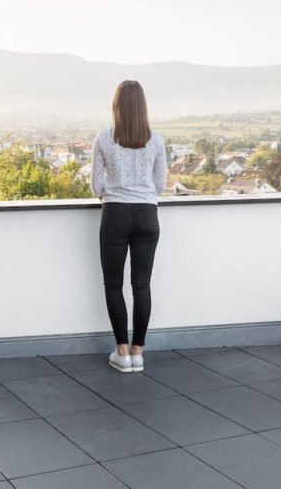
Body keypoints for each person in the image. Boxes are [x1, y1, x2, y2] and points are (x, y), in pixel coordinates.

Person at [91, 80, 167, 373]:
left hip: (115, 214)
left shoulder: (103, 138)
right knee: (142, 285)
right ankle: (138, 353)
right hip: (148, 215)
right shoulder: (157, 140)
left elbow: (96, 185)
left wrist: (115, 193)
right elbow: (159, 185)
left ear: (116, 106)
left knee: (113, 284)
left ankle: (121, 353)